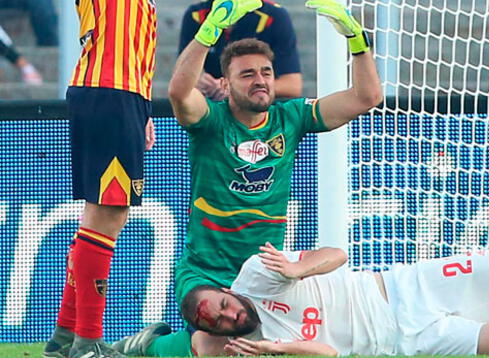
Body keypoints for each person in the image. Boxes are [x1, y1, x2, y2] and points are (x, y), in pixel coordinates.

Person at [112, 0, 381, 356]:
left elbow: (367, 97)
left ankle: (153, 345)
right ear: (226, 82)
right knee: (214, 335)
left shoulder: (291, 118)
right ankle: (142, 349)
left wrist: (356, 40)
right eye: (247, 74)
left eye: (266, 72)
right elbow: (179, 92)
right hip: (205, 271)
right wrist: (207, 33)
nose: (260, 81)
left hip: (263, 275)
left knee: (252, 346)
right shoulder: (212, 122)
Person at [182, 244, 489, 356]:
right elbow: (329, 354)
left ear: (227, 290)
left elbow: (336, 255)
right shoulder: (256, 348)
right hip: (405, 341)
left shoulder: (257, 274)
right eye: (219, 322)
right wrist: (275, 350)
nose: (231, 316)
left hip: (406, 287)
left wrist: (299, 270)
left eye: (224, 306)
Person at [42, 0, 157, 357]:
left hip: (123, 94)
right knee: (107, 213)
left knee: (103, 215)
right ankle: (87, 341)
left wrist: (145, 107)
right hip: (110, 91)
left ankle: (66, 336)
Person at [178, 0, 302, 100]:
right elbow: (179, 77)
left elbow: (292, 85)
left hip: (259, 108)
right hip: (214, 108)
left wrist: (236, 88)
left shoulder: (275, 15)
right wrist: (199, 80)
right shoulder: (196, 15)